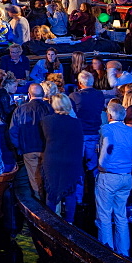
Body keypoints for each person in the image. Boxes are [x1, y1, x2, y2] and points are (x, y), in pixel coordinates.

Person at [96, 102, 132, 256]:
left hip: (109, 177)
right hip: (126, 177)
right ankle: (123, 253)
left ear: (109, 115)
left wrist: (102, 164)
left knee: (104, 215)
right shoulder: (131, 132)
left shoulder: (107, 129)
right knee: (121, 215)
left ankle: (106, 253)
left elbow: (107, 145)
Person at [41, 93, 83, 223]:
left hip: (52, 161)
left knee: (51, 192)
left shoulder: (46, 121)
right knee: (70, 192)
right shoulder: (76, 123)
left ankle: (50, 222)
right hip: (71, 161)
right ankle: (70, 222)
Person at [10, 83, 54, 196]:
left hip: (28, 148)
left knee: (35, 179)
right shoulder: (50, 108)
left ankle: (39, 203)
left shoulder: (20, 110)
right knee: (49, 177)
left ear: (29, 95)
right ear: (43, 94)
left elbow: (13, 131)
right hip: (47, 148)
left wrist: (19, 147)